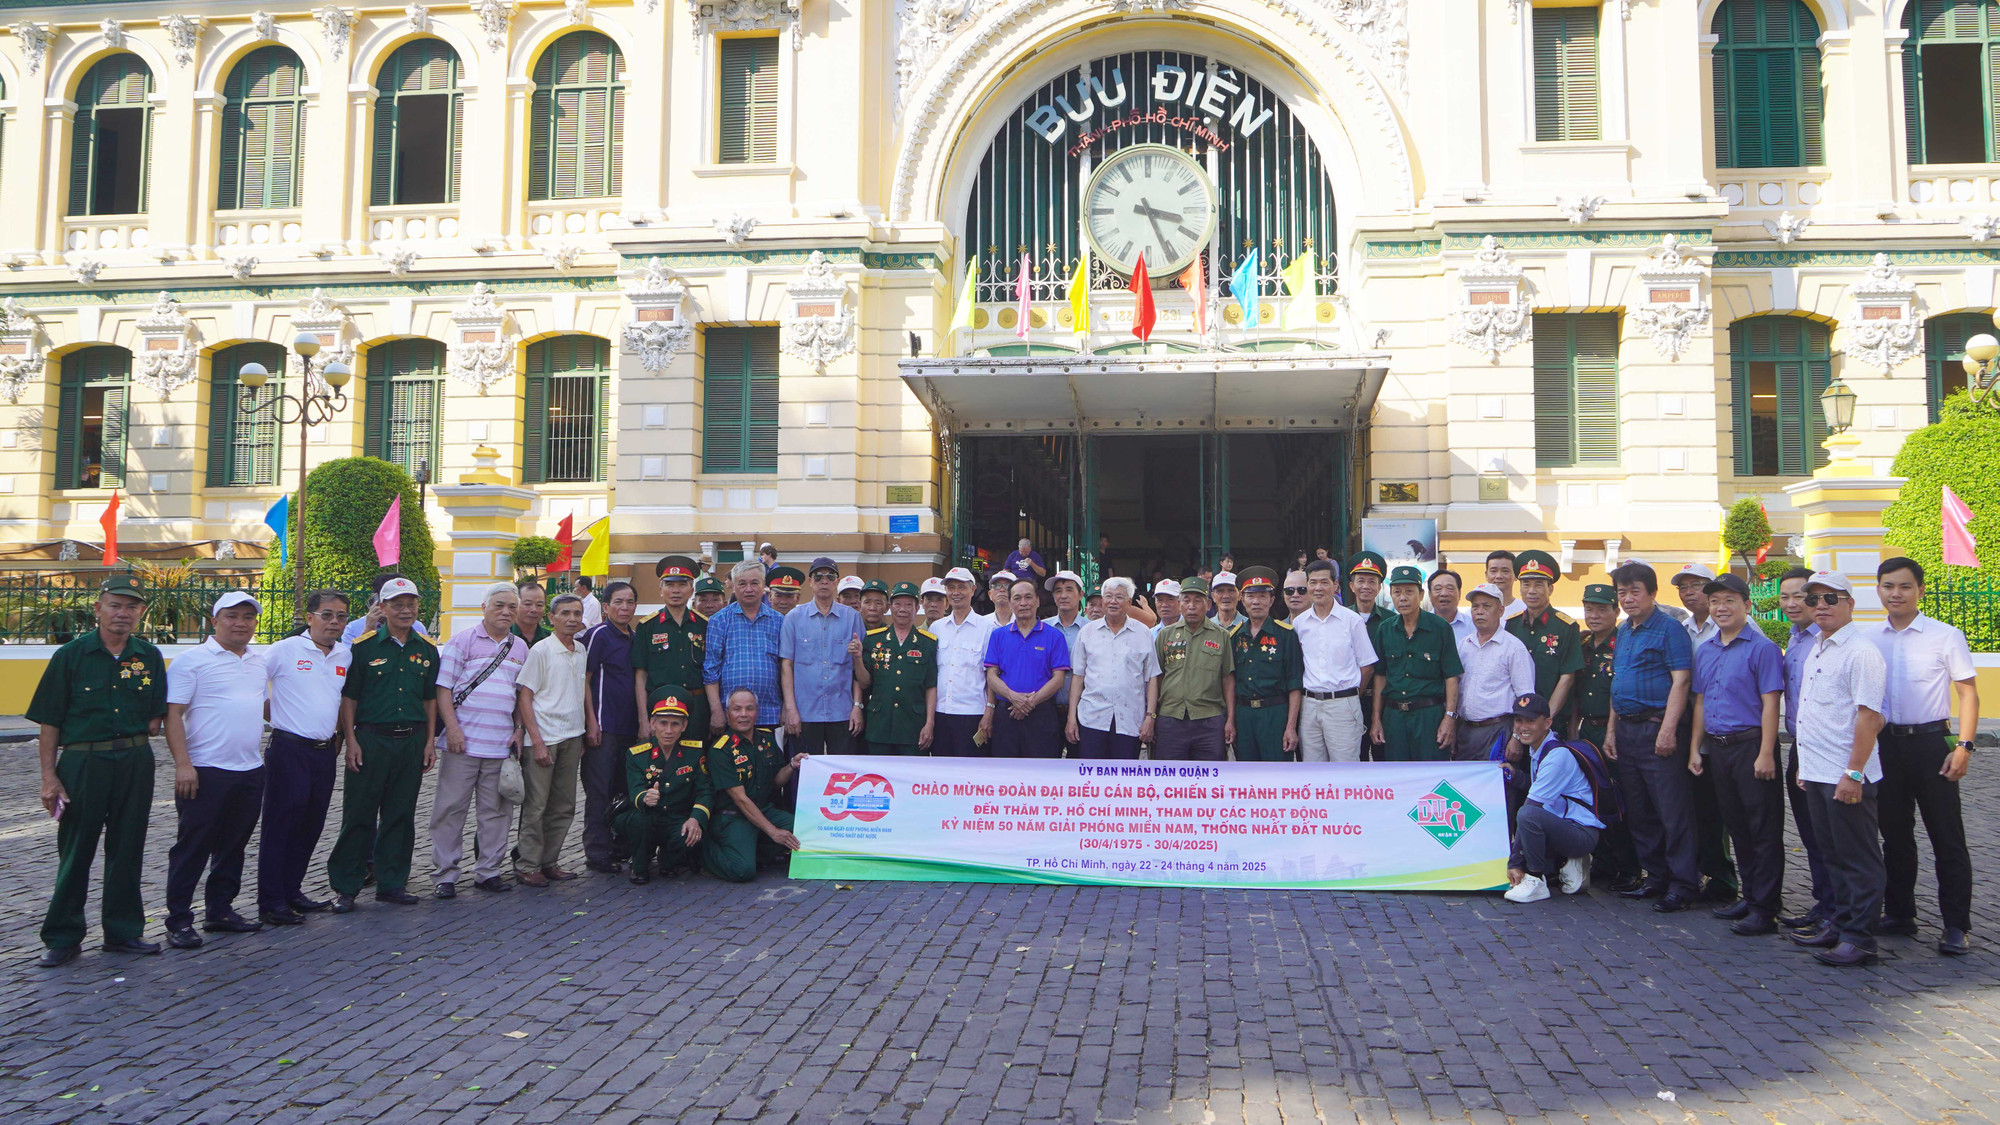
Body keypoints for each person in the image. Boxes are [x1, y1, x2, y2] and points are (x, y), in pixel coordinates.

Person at [30, 574, 168, 966]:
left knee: (128, 848)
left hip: (134, 761)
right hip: (83, 762)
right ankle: (63, 935)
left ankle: (123, 932)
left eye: (131, 607)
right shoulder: (70, 656)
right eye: (115, 605)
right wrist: (49, 777)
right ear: (98, 609)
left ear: (141, 613)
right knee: (76, 850)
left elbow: (156, 718)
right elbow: (49, 722)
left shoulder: (149, 657)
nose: (123, 613)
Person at [1865, 556, 1979, 955]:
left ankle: (1955, 926)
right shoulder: (1867, 637)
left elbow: (1967, 693)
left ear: (1920, 590)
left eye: (1905, 586)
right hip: (1886, 746)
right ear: (1878, 589)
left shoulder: (1945, 635)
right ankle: (1899, 913)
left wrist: (1963, 747)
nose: (1896, 594)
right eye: (1888, 586)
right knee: (1894, 836)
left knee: (1947, 838)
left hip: (1932, 745)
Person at [1788, 571, 1890, 967]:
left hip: (1846, 774)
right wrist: (1806, 767)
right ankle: (1840, 922)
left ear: (1850, 602)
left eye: (1831, 598)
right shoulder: (1817, 645)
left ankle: (1861, 938)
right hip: (1817, 770)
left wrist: (1854, 773)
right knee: (1830, 854)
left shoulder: (1860, 651)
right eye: (1814, 600)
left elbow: (1868, 717)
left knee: (1858, 858)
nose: (1821, 606)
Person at [161, 591, 270, 950]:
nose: (241, 623)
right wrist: (183, 765)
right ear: (214, 621)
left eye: (248, 617)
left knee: (233, 845)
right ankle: (178, 920)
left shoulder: (259, 660)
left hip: (250, 768)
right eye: (232, 616)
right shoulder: (191, 661)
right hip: (205, 770)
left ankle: (220, 910)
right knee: (192, 847)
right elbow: (172, 715)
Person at [329, 577, 439, 914]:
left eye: (411, 604)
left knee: (401, 814)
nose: (405, 610)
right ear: (383, 608)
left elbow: (429, 700)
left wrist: (429, 742)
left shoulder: (427, 649)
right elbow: (349, 698)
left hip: (410, 741)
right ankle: (346, 886)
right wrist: (351, 742)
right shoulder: (362, 648)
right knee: (358, 814)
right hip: (371, 739)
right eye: (397, 604)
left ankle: (392, 882)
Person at [1689, 573, 1788, 935]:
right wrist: (1696, 749)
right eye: (1715, 601)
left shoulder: (1761, 648)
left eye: (1729, 600)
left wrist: (1766, 752)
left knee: (1762, 828)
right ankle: (1750, 896)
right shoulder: (1708, 649)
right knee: (1737, 828)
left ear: (1747, 605)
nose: (1721, 608)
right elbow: (1699, 702)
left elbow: (1770, 702)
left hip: (1751, 746)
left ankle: (1766, 908)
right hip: (1718, 749)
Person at [1604, 561, 1700, 912]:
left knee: (1672, 811)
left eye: (1634, 592)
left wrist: (1669, 729)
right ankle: (1655, 877)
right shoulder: (1625, 631)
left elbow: (1682, 681)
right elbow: (1619, 681)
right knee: (1640, 811)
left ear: (1652, 593)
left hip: (1656, 727)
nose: (1628, 599)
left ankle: (1683, 883)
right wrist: (1612, 730)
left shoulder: (1669, 629)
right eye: (1622, 593)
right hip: (1627, 729)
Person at [257, 589, 352, 926]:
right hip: (288, 749)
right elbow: (253, 684)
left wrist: (341, 735)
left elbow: (340, 701)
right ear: (310, 617)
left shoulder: (344, 654)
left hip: (324, 752)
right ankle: (271, 900)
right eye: (327, 615)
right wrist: (272, 712)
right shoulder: (284, 650)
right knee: (280, 823)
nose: (334, 622)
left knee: (311, 822)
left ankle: (292, 889)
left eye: (341, 616)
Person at [431, 583, 527, 898]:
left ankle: (488, 872)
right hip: (464, 743)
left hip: (500, 746)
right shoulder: (463, 641)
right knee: (450, 809)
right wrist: (452, 729)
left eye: (512, 607)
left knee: (497, 813)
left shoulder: (520, 647)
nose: (505, 612)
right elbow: (443, 689)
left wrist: (518, 729)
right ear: (483, 607)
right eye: (499, 605)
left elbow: (519, 696)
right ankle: (445, 875)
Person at [514, 592, 590, 888]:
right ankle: (528, 864)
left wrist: (585, 729)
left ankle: (550, 860)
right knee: (536, 805)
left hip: (572, 736)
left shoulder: (581, 650)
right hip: (544, 738)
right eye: (566, 613)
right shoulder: (541, 651)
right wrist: (537, 740)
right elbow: (525, 696)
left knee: (564, 804)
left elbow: (581, 690)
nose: (572, 619)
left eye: (577, 613)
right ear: (552, 618)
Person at [1501, 693, 1605, 904]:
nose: (1523, 727)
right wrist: (1516, 776)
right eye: (1519, 720)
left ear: (1547, 723)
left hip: (1581, 833)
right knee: (1531, 815)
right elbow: (1540, 788)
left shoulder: (1556, 756)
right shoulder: (1540, 748)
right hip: (1566, 825)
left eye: (1531, 721)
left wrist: (1516, 863)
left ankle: (1536, 879)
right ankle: (1568, 862)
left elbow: (1532, 807)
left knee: (1528, 815)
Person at [1570, 583, 1639, 892]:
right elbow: (1574, 692)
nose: (1594, 616)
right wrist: (1573, 729)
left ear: (1616, 611)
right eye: (1589, 609)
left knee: (1618, 800)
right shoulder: (1583, 645)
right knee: (1592, 797)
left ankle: (1629, 867)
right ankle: (1604, 861)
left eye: (1601, 609)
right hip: (1586, 729)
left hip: (1612, 730)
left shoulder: (1622, 644)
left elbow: (1617, 692)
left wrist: (1610, 730)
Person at [1775, 565, 1831, 931]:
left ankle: (1842, 910)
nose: (1793, 603)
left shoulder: (1826, 638)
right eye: (1786, 596)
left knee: (1832, 833)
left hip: (1828, 746)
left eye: (1801, 596)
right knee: (1810, 832)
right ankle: (1824, 904)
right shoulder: (1795, 639)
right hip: (1799, 745)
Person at [704, 687, 807, 882]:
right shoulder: (720, 750)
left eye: (749, 709)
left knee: (804, 829)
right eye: (737, 709)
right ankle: (703, 850)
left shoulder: (766, 739)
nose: (743, 715)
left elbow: (776, 782)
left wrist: (792, 764)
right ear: (727, 714)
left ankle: (757, 851)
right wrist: (773, 832)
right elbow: (740, 800)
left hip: (763, 810)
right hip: (735, 817)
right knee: (742, 870)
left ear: (757, 712)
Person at [617, 693, 712, 885]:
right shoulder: (637, 754)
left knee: (689, 834)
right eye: (663, 723)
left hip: (676, 816)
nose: (668, 730)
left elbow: (705, 791)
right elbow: (634, 789)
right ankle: (640, 864)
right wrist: (645, 797)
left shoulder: (694, 753)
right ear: (652, 724)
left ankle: (668, 860)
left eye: (675, 724)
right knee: (638, 820)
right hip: (647, 816)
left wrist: (696, 818)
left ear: (684, 726)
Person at [1369, 566, 1462, 762]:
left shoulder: (1440, 628)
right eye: (1397, 592)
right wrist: (1376, 719)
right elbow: (1380, 677)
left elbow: (1451, 676)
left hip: (1429, 716)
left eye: (1409, 592)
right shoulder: (1385, 630)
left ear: (1421, 595)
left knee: (1432, 778)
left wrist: (1449, 718)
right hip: (1394, 717)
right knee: (1398, 777)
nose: (1403, 598)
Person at [580, 580, 639, 873]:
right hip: (603, 728)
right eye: (618, 602)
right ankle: (597, 851)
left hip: (629, 727)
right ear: (605, 606)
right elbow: (584, 680)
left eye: (629, 602)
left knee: (623, 790)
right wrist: (591, 722)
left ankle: (619, 846)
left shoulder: (634, 636)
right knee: (598, 791)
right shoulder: (598, 635)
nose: (624, 608)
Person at [1067, 577, 1161, 761]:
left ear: (1129, 603)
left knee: (1125, 779)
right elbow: (1077, 677)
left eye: (1119, 597)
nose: (1112, 601)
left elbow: (1151, 678)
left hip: (1130, 718)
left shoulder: (1143, 633)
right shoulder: (1087, 632)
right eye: (1108, 596)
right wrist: (1071, 718)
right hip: (1092, 717)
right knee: (1091, 778)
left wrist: (1150, 716)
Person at [1292, 560, 1376, 763]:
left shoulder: (1352, 620)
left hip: (1343, 704)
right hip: (1309, 705)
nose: (1318, 588)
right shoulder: (1300, 623)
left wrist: (1351, 694)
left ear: (1335, 585)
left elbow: (1367, 667)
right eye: (1312, 583)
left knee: (1345, 770)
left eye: (1324, 582)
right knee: (1313, 771)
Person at [780, 557, 865, 755]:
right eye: (818, 577)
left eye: (830, 576)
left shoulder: (852, 618)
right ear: (810, 582)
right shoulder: (794, 618)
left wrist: (857, 706)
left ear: (836, 581)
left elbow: (857, 667)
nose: (824, 581)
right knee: (804, 772)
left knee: (843, 775)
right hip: (806, 712)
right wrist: (790, 709)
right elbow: (786, 666)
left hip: (842, 711)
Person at [984, 578, 1071, 757]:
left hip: (1042, 714)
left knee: (1042, 773)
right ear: (1010, 603)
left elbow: (1059, 678)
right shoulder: (998, 636)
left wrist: (1030, 702)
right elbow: (991, 675)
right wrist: (1013, 697)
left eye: (1028, 597)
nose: (1023, 603)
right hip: (1006, 713)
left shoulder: (1054, 636)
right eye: (1017, 598)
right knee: (1006, 774)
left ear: (1038, 601)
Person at [1152, 577, 1235, 761]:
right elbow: (1156, 678)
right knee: (1169, 780)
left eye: (1198, 600)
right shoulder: (1166, 635)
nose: (1191, 606)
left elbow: (1227, 679)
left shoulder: (1221, 636)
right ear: (1180, 603)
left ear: (1208, 605)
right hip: (1171, 718)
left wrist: (1229, 719)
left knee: (1211, 780)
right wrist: (1152, 716)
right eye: (1187, 600)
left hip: (1209, 720)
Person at [633, 555, 711, 739]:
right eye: (669, 584)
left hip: (697, 708)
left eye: (682, 584)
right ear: (660, 590)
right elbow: (640, 677)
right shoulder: (647, 626)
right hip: (661, 709)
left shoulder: (705, 625)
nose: (676, 590)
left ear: (691, 590)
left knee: (696, 762)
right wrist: (643, 720)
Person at [1454, 584, 1535, 762]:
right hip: (1465, 731)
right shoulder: (1464, 645)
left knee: (1498, 787)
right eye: (1475, 606)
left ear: (1500, 610)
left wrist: (1516, 738)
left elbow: (1525, 697)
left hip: (1498, 730)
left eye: (1486, 606)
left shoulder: (1513, 647)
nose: (1479, 611)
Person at [1230, 568, 1303, 762]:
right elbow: (1229, 681)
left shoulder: (1286, 635)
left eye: (1262, 596)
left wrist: (1290, 727)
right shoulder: (1235, 637)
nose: (1256, 602)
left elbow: (1295, 684)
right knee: (1246, 777)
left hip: (1275, 714)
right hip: (1244, 716)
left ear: (1271, 600)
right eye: (1251, 596)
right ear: (1242, 599)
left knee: (1278, 777)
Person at [856, 582, 937, 754]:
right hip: (880, 724)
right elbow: (864, 682)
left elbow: (931, 686)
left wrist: (929, 723)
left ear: (917, 608)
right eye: (898, 604)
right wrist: (857, 658)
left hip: (913, 726)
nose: (903, 609)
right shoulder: (872, 639)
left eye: (909, 604)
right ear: (889, 607)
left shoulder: (927, 642)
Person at [704, 560, 784, 734]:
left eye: (755, 583)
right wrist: (716, 710)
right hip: (731, 716)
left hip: (770, 713)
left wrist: (787, 708)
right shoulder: (719, 621)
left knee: (773, 761)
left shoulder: (779, 621)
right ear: (733, 587)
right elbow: (711, 670)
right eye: (742, 583)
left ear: (764, 585)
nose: (749, 589)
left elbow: (786, 669)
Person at [1506, 551, 1583, 723]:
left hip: (1552, 721)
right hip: (1516, 719)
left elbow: (1567, 678)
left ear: (1551, 588)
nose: (1531, 591)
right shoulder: (1512, 625)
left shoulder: (1566, 627)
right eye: (1526, 584)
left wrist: (1545, 718)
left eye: (1539, 584)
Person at [931, 566, 997, 757]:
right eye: (951, 587)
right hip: (941, 713)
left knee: (971, 776)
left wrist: (989, 712)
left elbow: (991, 674)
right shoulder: (937, 628)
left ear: (973, 589)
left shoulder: (987, 628)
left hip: (973, 714)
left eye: (961, 587)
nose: (956, 593)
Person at [1043, 570, 1087, 754]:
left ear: (1081, 595)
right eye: (1058, 591)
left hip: (1083, 710)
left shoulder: (1092, 629)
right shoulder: (1042, 628)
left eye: (1069, 590)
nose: (1063, 595)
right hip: (1047, 708)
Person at [1671, 564, 1722, 648]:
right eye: (1683, 587)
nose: (1688, 592)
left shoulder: (1732, 622)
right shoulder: (1685, 626)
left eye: (1696, 585)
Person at [1428, 569, 1475, 644]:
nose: (1444, 593)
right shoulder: (1419, 626)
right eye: (1438, 589)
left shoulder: (1473, 626)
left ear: (1459, 594)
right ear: (1430, 595)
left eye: (1450, 588)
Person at [1484, 550, 1528, 619]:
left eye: (1505, 571)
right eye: (1493, 571)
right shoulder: (1474, 614)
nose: (1499, 576)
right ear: (1486, 575)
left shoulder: (1525, 611)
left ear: (1516, 575)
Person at [512, 580, 552, 646]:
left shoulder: (550, 639)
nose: (534, 610)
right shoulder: (503, 636)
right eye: (528, 604)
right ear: (515, 604)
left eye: (539, 605)